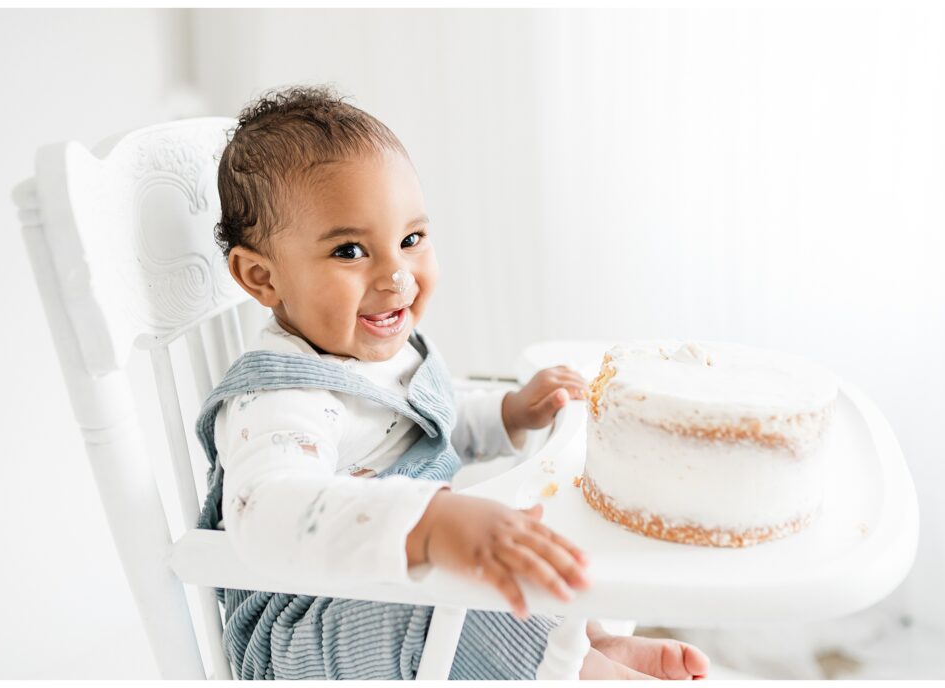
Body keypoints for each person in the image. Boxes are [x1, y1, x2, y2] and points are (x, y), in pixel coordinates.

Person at [195, 84, 710, 680]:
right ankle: (580, 672)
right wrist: (429, 523)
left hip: (378, 587)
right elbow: (268, 512)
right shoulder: (281, 400)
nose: (396, 274)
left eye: (411, 240)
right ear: (261, 276)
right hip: (306, 624)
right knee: (469, 595)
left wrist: (509, 413)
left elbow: (426, 425)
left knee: (523, 541)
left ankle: (588, 647)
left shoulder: (377, 351)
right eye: (350, 250)